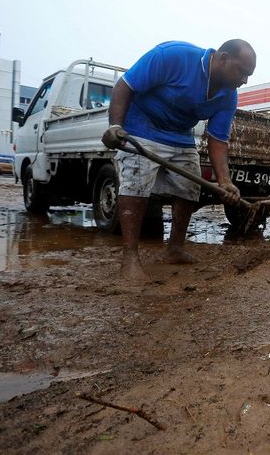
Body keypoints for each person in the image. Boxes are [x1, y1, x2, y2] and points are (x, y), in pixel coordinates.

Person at [101, 39, 257, 279]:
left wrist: (225, 181)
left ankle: (175, 249)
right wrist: (115, 126)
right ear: (223, 58)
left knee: (189, 186)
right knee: (136, 183)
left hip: (179, 135)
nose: (245, 80)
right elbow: (125, 85)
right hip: (142, 126)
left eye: (249, 75)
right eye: (242, 72)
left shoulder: (228, 96)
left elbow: (217, 139)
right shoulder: (173, 56)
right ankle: (130, 257)